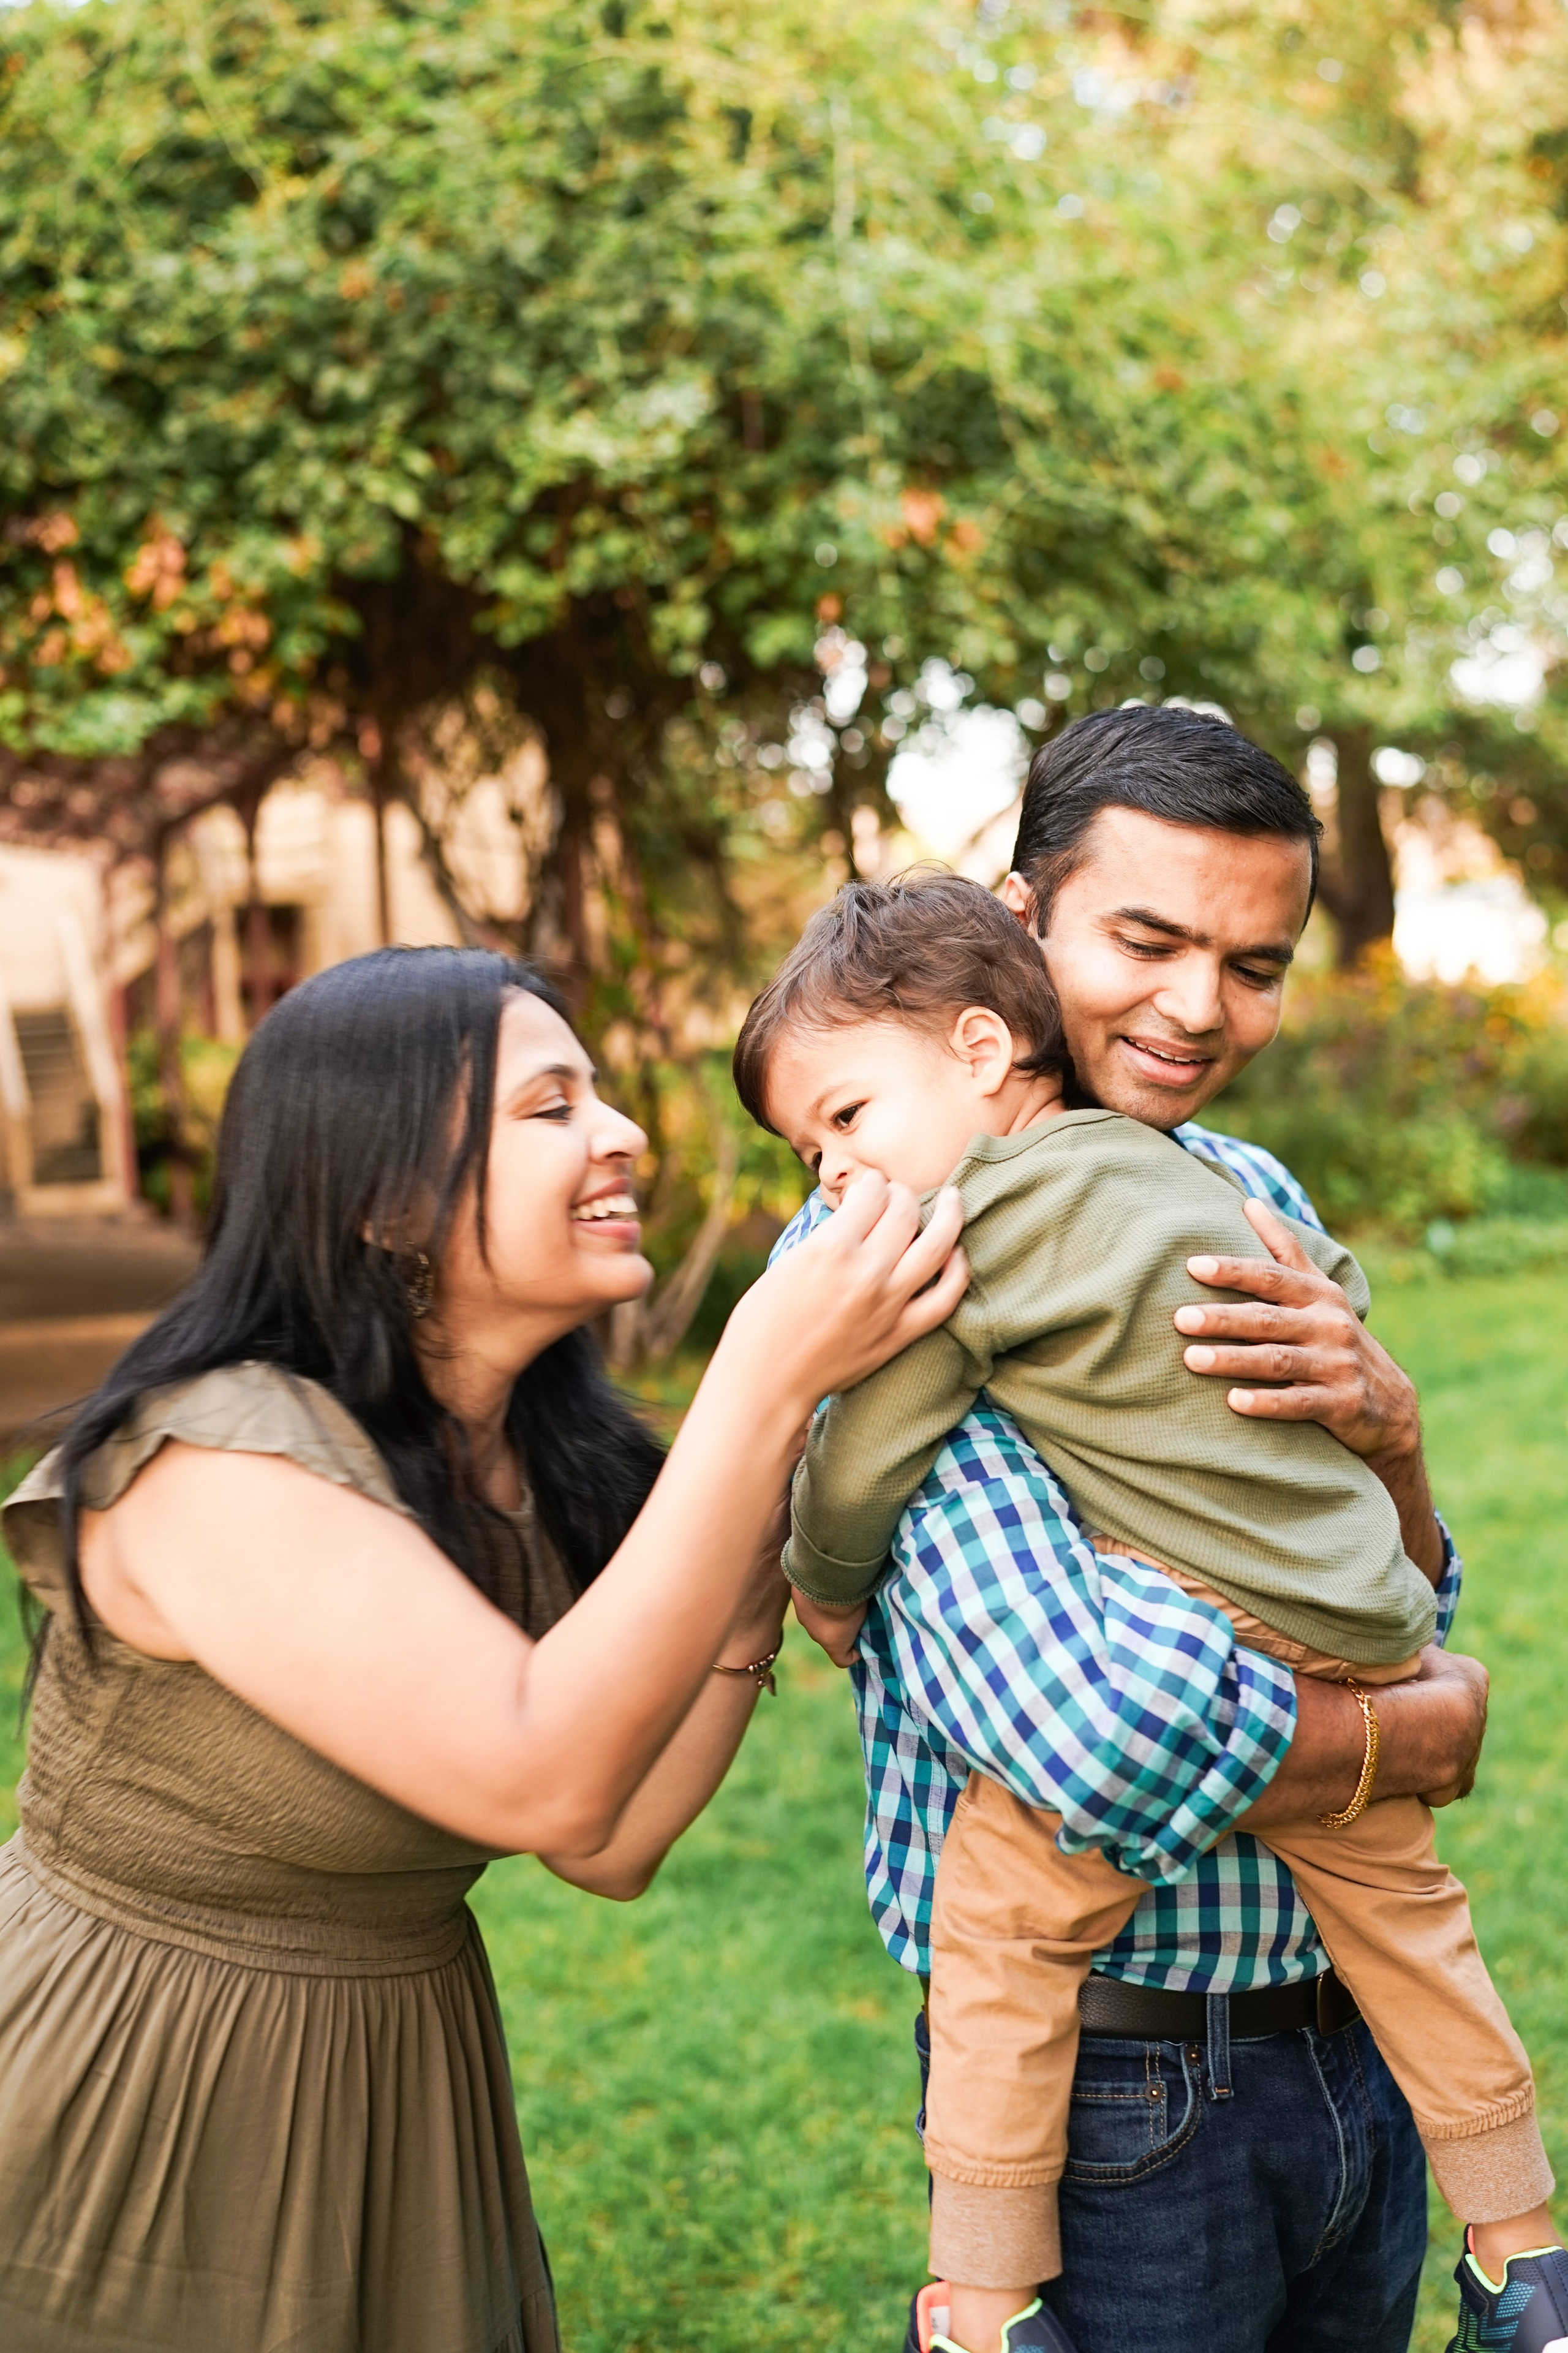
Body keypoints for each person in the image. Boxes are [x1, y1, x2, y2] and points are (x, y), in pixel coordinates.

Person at [0, 943, 967, 2353]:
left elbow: (611, 1843)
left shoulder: (534, 1464)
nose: (624, 1132)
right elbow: (543, 1781)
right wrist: (760, 1376)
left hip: (391, 2067)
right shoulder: (213, 1457)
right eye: (549, 1105)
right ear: (389, 1197)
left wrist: (753, 1556)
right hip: (126, 2078)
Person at [753, 706, 1504, 2353]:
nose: (1196, 1006)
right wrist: (1412, 1731)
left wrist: (1394, 1441)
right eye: (1147, 938)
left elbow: (1405, 1585)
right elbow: (1096, 1742)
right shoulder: (891, 1252)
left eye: (1253, 961)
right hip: (1119, 2085)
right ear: (1021, 924)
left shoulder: (1244, 1189)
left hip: (1355, 2034)